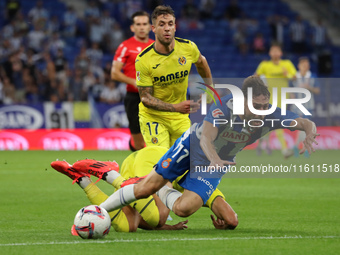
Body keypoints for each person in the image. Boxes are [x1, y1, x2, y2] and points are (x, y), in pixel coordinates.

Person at [75, 76, 319, 226]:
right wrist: (214, 160)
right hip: (192, 146)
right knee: (144, 189)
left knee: (184, 210)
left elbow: (304, 121)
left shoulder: (272, 114)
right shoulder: (225, 108)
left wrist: (309, 133)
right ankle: (97, 211)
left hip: (217, 162)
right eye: (258, 106)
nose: (262, 110)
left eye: (265, 105)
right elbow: (206, 140)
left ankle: (165, 187)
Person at [50, 147, 188, 233]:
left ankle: (83, 180)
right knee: (158, 218)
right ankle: (110, 174)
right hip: (154, 159)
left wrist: (171, 228)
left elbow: (144, 221)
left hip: (134, 162)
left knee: (128, 226)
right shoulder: (204, 181)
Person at [136, 5, 212, 148]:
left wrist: (209, 88)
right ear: (153, 29)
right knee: (161, 160)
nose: (167, 28)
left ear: (175, 27)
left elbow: (202, 62)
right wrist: (176, 107)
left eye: (170, 24)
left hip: (180, 117)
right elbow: (145, 98)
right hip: (154, 117)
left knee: (185, 160)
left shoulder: (188, 48)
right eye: (162, 24)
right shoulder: (144, 60)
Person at [111, 11, 154, 151]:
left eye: (144, 24)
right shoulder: (125, 46)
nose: (141, 27)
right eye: (138, 24)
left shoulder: (157, 47)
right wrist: (134, 82)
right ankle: (135, 148)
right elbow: (114, 73)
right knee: (139, 142)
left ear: (150, 27)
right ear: (132, 27)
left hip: (155, 97)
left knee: (156, 137)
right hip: (134, 97)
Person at [255, 43, 297, 158]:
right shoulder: (265, 65)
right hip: (269, 99)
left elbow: (294, 77)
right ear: (269, 53)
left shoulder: (286, 64)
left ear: (281, 53)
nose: (275, 53)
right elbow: (255, 77)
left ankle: (260, 142)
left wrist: (286, 74)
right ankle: (284, 150)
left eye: (277, 51)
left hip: (283, 98)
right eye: (272, 51)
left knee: (272, 123)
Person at [290, 57, 320, 157]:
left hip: (309, 106)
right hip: (297, 106)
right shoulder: (294, 77)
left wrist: (309, 88)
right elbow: (289, 90)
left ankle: (297, 147)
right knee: (304, 128)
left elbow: (317, 90)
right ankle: (304, 148)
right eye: (303, 65)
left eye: (306, 65)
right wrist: (292, 97)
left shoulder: (312, 76)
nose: (305, 67)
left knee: (306, 128)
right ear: (299, 66)